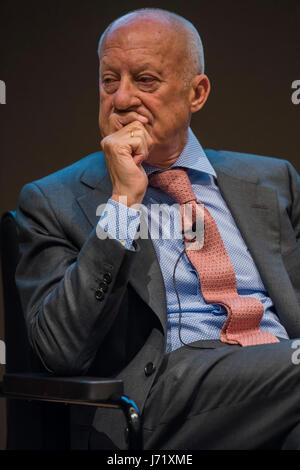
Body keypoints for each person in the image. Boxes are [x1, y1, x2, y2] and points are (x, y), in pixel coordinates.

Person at [15, 8, 300, 450]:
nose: (122, 99)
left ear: (197, 93)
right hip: (165, 392)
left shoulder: (273, 181)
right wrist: (124, 201)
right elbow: (58, 349)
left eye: (145, 80)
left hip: (277, 379)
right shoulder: (53, 200)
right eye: (110, 80)